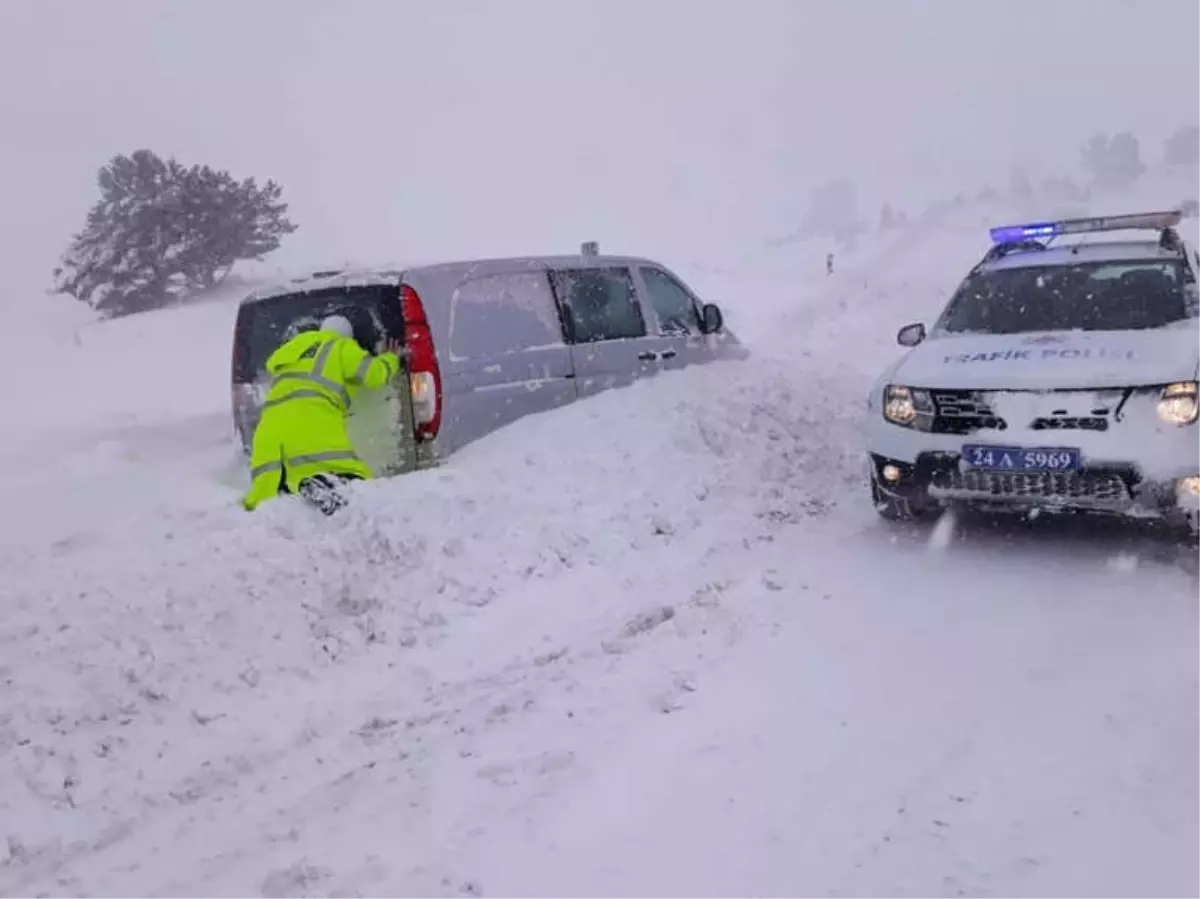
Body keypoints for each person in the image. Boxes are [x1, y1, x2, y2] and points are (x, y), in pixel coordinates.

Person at [242, 313, 404, 514]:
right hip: (309, 423)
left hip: (268, 431)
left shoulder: (295, 349)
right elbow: (374, 375)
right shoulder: (341, 347)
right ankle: (323, 486)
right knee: (350, 478)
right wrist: (391, 357)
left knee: (267, 497)